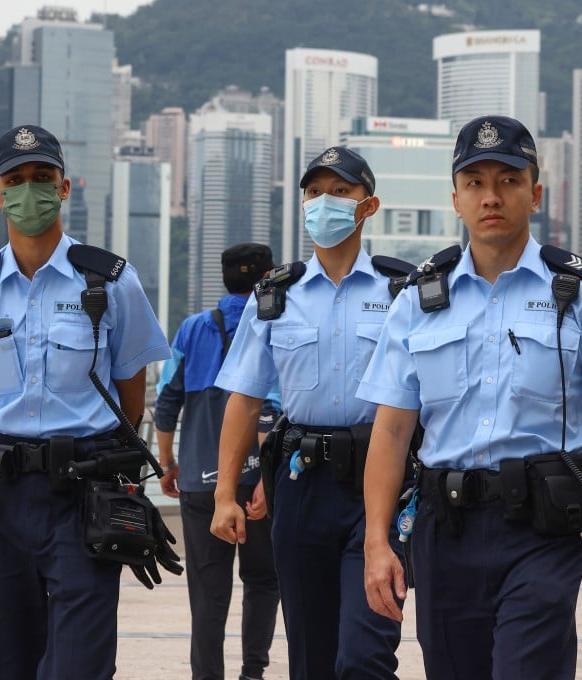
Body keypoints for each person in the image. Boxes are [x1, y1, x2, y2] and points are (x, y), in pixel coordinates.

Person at [357, 115, 582, 680]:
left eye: (508, 180)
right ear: (455, 198)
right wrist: (377, 542)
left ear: (536, 193)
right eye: (475, 182)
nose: (491, 196)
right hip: (442, 529)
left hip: (543, 529)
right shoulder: (420, 298)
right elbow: (391, 430)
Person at [0, 124, 173, 679]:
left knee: (78, 667)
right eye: (15, 180)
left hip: (81, 495)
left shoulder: (110, 282)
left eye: (43, 178)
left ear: (65, 188)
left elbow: (129, 394)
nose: (29, 191)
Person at [210, 146, 408, 680]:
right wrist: (226, 493)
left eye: (340, 192)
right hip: (301, 484)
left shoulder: (403, 291)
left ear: (368, 206)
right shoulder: (275, 294)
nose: (325, 203)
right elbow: (245, 399)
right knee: (311, 658)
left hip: (381, 481)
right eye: (315, 193)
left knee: (365, 656)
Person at [154, 242, 281, 680]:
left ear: (223, 279)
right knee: (263, 580)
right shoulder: (274, 320)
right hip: (257, 480)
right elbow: (273, 408)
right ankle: (252, 673)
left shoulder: (192, 329)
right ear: (268, 276)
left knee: (208, 592)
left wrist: (168, 462)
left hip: (200, 481)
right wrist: (267, 473)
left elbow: (167, 400)